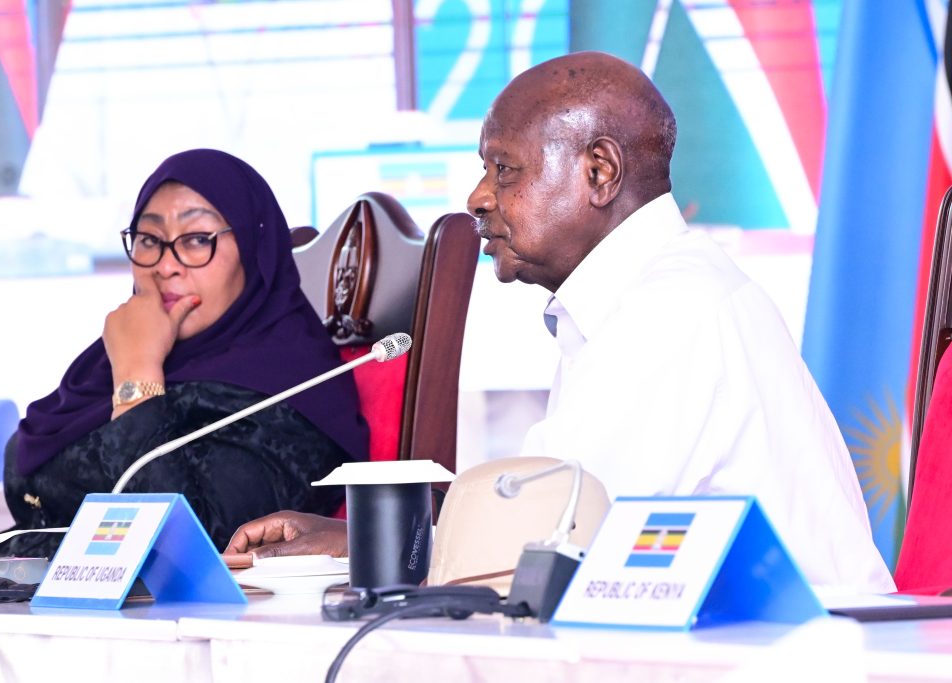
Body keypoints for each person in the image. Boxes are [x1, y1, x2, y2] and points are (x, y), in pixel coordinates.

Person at [227, 52, 894, 593]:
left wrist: (364, 545)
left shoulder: (676, 307)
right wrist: (355, 541)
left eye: (503, 169)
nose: (477, 198)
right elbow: (538, 521)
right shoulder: (626, 299)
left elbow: (548, 543)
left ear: (599, 171)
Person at [0, 148, 368, 557]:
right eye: (149, 240)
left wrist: (137, 377)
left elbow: (193, 551)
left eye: (195, 240)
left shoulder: (294, 393)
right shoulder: (107, 363)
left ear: (254, 250)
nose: (165, 265)